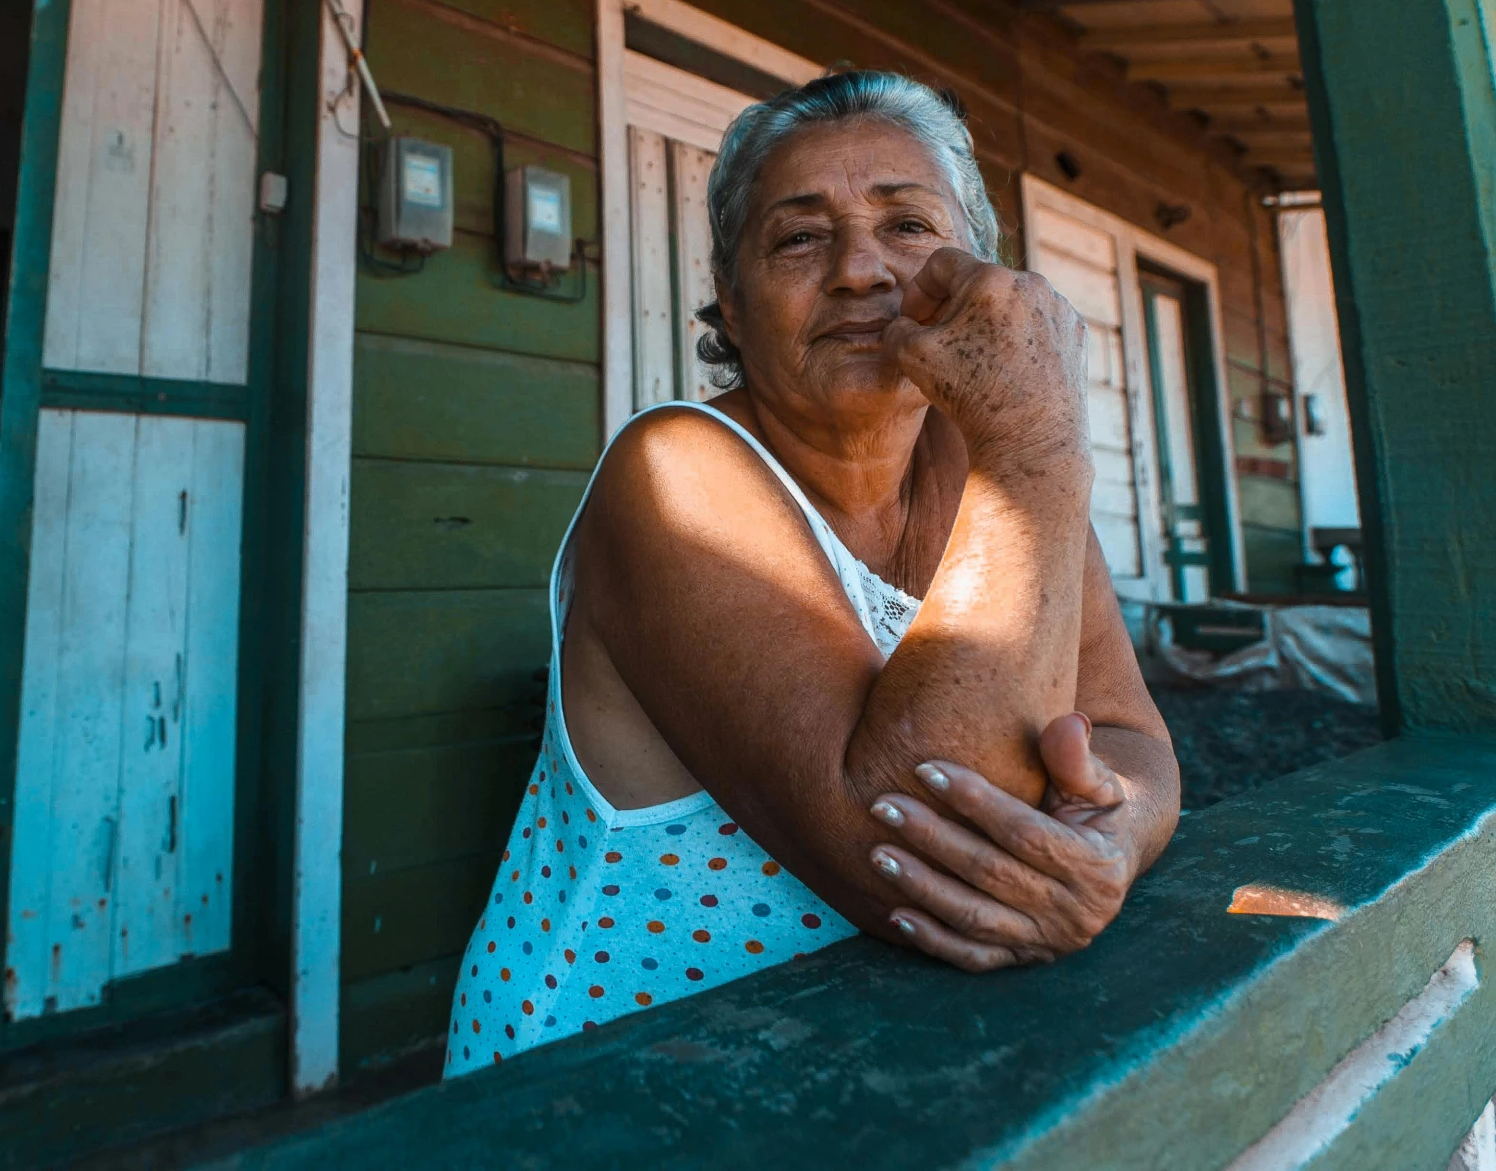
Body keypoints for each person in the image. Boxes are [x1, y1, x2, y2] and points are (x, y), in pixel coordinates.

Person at [445, 71, 1180, 1076]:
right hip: (607, 1083)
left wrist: (1111, 840)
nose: (858, 270)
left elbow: (1133, 737)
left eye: (909, 225)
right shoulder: (672, 472)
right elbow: (911, 843)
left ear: (977, 274)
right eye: (798, 238)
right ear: (732, 308)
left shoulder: (996, 469)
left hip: (859, 1070)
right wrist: (1038, 446)